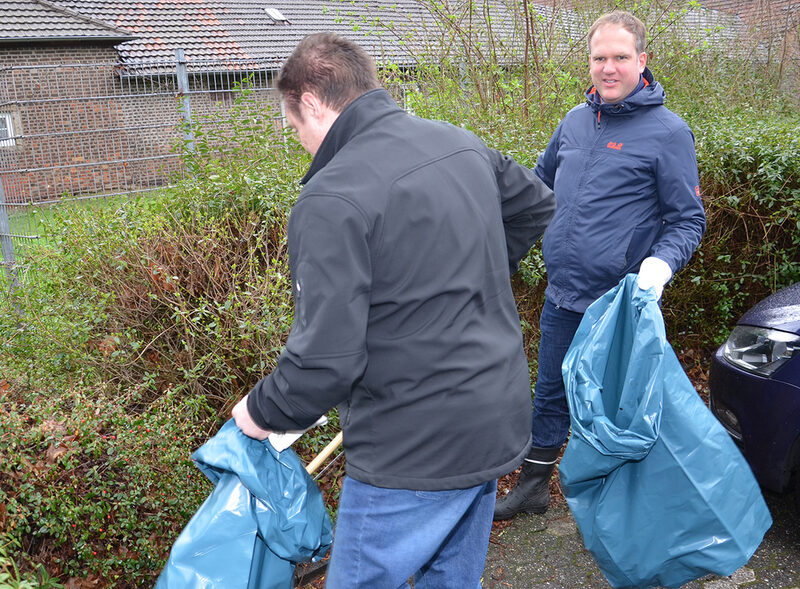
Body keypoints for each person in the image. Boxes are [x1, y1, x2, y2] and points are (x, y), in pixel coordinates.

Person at [231, 32, 555, 587]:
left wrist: (260, 413)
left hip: (412, 449)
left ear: (310, 102)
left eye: (295, 129)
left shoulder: (331, 198)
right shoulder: (458, 143)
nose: (302, 143)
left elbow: (324, 362)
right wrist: (467, 279)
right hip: (491, 420)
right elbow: (537, 203)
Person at [493, 11, 707, 521]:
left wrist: (660, 265)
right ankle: (535, 486)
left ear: (643, 61)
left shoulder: (668, 132)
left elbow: (687, 219)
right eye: (599, 58)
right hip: (563, 291)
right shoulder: (573, 121)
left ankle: (626, 507)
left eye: (620, 57)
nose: (608, 68)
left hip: (620, 304)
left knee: (614, 408)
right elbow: (537, 191)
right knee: (549, 392)